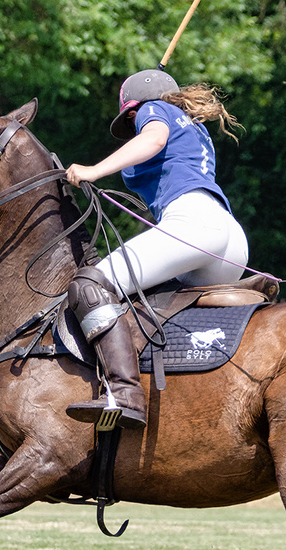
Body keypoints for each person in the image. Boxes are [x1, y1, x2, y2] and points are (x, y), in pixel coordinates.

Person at [62, 69, 249, 428]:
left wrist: (93, 170)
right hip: (229, 240)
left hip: (193, 225)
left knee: (91, 285)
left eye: (130, 118)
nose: (133, 125)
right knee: (148, 302)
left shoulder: (153, 110)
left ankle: (126, 393)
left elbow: (152, 142)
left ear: (135, 109)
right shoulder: (196, 128)